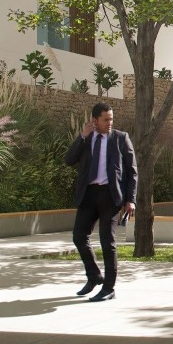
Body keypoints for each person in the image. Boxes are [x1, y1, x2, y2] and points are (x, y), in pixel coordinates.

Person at [63, 102, 136, 302]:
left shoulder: (120, 138)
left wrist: (130, 200)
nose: (110, 123)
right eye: (106, 119)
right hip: (88, 195)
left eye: (111, 119)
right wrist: (82, 136)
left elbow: (132, 172)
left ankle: (109, 288)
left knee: (107, 241)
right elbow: (69, 160)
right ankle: (94, 275)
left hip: (110, 196)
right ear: (95, 120)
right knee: (79, 237)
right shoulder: (86, 139)